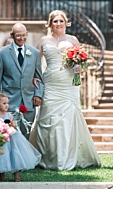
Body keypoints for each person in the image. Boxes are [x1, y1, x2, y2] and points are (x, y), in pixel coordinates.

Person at [32, 10, 101, 170]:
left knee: (68, 118)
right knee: (48, 118)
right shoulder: (43, 40)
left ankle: (68, 156)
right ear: (50, 23)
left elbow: (83, 61)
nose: (58, 24)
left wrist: (79, 67)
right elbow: (35, 62)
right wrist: (35, 77)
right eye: (55, 21)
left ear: (66, 23)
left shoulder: (72, 40)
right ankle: (49, 156)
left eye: (61, 21)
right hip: (50, 83)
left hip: (68, 84)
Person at [0, 23, 43, 139]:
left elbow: (39, 78)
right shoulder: (2, 54)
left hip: (29, 102)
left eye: (24, 35)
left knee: (26, 136)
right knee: (10, 135)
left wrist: (38, 95)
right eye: (18, 35)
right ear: (12, 35)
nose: (21, 38)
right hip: (9, 103)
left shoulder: (34, 53)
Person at [0, 94, 41, 182]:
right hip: (0, 139)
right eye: (4, 103)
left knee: (15, 155)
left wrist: (13, 126)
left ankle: (16, 176)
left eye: (7, 103)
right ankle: (2, 177)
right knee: (0, 157)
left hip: (12, 138)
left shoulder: (9, 115)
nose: (7, 105)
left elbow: (14, 126)